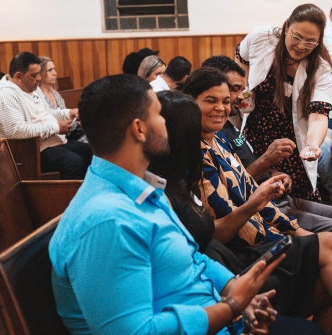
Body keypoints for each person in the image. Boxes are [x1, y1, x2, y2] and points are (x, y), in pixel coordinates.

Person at [49, 73, 302, 335]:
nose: (167, 125)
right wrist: (231, 307)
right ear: (139, 129)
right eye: (160, 115)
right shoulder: (107, 220)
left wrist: (234, 289)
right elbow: (134, 332)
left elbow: (191, 258)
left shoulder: (145, 186)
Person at [196, 58, 332, 319]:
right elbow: (239, 187)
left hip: (272, 195)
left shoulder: (234, 127)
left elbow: (245, 164)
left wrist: (272, 171)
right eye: (227, 92)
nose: (234, 98)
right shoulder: (218, 132)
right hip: (264, 211)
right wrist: (267, 163)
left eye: (237, 91)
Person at [236, 4, 332, 202]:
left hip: (291, 145)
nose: (301, 46)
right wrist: (243, 88)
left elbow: (318, 115)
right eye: (296, 37)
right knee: (251, 191)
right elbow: (241, 57)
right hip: (254, 132)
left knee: (295, 198)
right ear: (286, 28)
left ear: (319, 41)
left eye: (310, 42)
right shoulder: (261, 37)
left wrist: (311, 145)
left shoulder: (321, 69)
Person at [0, 52, 92, 180]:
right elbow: (16, 131)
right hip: (30, 152)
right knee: (74, 163)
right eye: (34, 75)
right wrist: (55, 127)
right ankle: (65, 199)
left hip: (50, 143)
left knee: (92, 152)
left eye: (39, 73)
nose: (39, 78)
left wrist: (68, 113)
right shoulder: (5, 94)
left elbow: (48, 112)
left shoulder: (32, 87)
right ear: (18, 76)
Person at [38, 56, 86, 142]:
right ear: (40, 74)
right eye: (50, 70)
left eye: (54, 69)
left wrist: (75, 117)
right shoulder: (39, 97)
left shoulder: (55, 93)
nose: (55, 73)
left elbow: (66, 116)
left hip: (74, 130)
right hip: (62, 137)